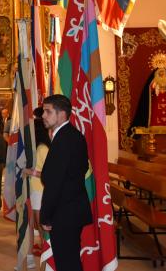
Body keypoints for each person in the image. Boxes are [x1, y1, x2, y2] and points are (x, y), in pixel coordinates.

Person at [40, 94, 92, 271]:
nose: (43, 115)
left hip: (65, 212)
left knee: (67, 263)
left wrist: (46, 215)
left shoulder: (64, 139)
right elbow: (80, 169)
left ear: (62, 114)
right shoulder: (70, 135)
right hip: (71, 208)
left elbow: (55, 182)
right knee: (69, 260)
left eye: (48, 111)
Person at [24, 106, 51, 256]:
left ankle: (45, 245)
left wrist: (30, 172)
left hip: (40, 189)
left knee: (41, 220)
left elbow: (49, 174)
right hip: (35, 188)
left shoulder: (43, 149)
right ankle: (41, 243)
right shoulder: (39, 148)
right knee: (36, 220)